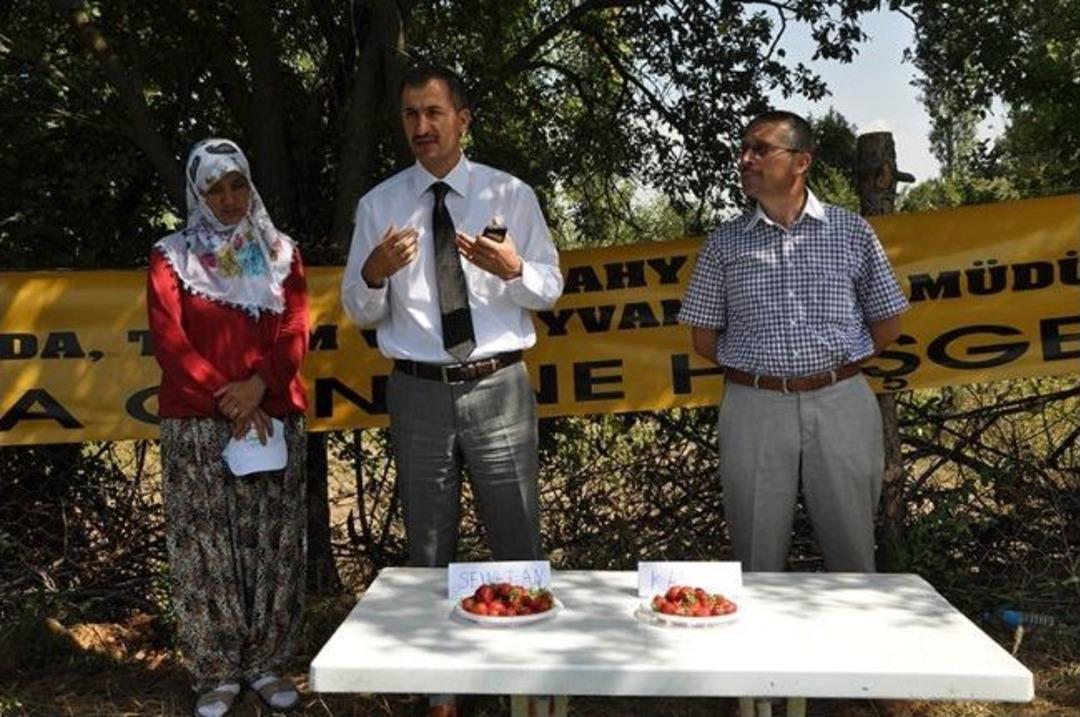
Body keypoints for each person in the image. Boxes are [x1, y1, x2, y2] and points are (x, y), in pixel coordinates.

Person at [341, 65, 563, 717]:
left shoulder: (510, 194)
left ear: (462, 118)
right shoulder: (378, 206)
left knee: (517, 535)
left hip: (497, 385)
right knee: (428, 543)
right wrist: (375, 274)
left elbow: (550, 288)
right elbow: (358, 310)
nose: (421, 126)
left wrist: (515, 268)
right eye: (410, 114)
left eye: (434, 112)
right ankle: (442, 693)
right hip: (418, 393)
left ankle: (529, 683)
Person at [679, 110, 909, 574]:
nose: (745, 159)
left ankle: (857, 643)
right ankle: (760, 646)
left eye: (760, 149)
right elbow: (703, 338)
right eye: (743, 149)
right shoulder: (724, 244)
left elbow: (888, 324)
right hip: (754, 407)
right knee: (756, 560)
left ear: (800, 162)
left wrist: (835, 366)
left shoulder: (851, 231)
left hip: (841, 401)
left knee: (853, 556)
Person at [148, 138, 309, 717]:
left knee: (272, 542)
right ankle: (215, 671)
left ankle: (265, 661)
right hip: (199, 420)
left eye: (237, 183)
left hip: (272, 413)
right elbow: (171, 342)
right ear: (197, 193)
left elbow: (295, 329)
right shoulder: (171, 257)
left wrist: (260, 387)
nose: (229, 198)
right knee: (206, 545)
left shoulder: (282, 252)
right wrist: (233, 400)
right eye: (214, 188)